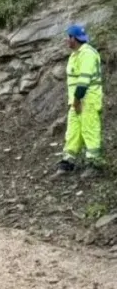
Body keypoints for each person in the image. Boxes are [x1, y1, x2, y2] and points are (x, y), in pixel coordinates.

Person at [56, 24, 105, 178]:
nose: (66, 40)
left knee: (90, 130)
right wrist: (75, 101)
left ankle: (94, 164)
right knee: (73, 131)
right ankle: (67, 162)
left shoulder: (87, 54)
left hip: (88, 100)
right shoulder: (75, 55)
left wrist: (77, 101)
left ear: (74, 38)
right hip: (76, 100)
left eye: (68, 37)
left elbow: (83, 82)